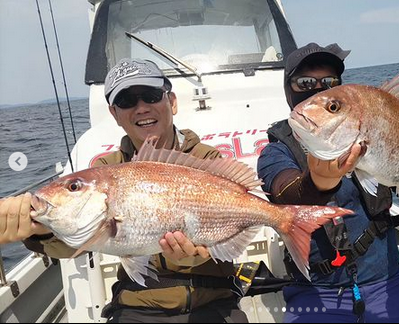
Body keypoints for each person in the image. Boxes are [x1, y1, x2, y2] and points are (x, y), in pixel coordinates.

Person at [0, 58, 248, 323]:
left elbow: (231, 227)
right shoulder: (107, 169)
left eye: (151, 96)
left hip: (213, 302)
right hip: (136, 305)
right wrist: (43, 231)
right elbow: (80, 241)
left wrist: (202, 253)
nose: (141, 108)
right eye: (127, 101)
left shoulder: (206, 161)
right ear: (115, 114)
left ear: (172, 102)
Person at [257, 43, 399, 323]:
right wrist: (320, 180)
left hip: (391, 281)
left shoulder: (363, 134)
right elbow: (286, 195)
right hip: (317, 293)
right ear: (289, 89)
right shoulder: (276, 152)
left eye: (330, 84)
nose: (319, 89)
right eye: (306, 82)